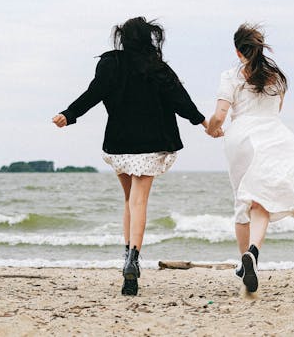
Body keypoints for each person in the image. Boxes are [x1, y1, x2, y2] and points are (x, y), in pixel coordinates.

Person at [53, 17, 207, 296]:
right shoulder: (157, 67)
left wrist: (69, 114)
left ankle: (127, 257)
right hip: (150, 143)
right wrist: (202, 121)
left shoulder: (110, 64)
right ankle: (133, 258)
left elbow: (94, 93)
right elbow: (179, 98)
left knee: (128, 200)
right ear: (148, 39)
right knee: (139, 201)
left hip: (120, 143)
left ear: (123, 38)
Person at [206, 24, 294, 293]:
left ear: (237, 49)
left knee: (242, 200)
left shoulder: (231, 75)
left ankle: (246, 261)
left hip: (242, 138)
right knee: (262, 199)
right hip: (274, 136)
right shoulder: (277, 78)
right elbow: (276, 110)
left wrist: (212, 129)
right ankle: (252, 254)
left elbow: (220, 116)